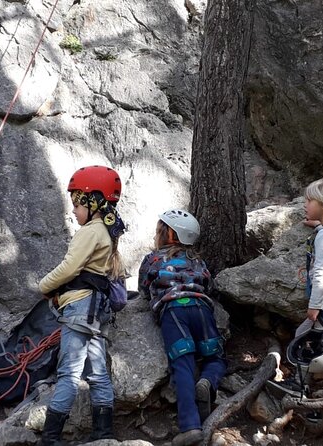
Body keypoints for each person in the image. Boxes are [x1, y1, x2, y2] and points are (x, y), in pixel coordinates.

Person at [38, 165, 126, 446]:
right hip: (96, 311)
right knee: (98, 373)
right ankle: (103, 433)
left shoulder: (90, 231)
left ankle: (50, 438)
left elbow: (69, 267)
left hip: (79, 308)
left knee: (69, 374)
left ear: (93, 202)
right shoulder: (107, 234)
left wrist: (43, 286)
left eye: (77, 203)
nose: (74, 210)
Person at [267, 175, 323, 423]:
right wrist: (319, 226)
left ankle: (311, 391)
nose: (305, 204)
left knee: (314, 339)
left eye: (310, 200)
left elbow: (322, 272)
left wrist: (315, 304)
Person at [138, 209, 227, 446]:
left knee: (183, 364)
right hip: (201, 309)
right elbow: (209, 285)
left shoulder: (152, 259)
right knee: (215, 357)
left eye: (159, 230)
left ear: (168, 234)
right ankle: (208, 380)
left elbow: (144, 288)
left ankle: (189, 427)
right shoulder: (197, 260)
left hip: (173, 312)